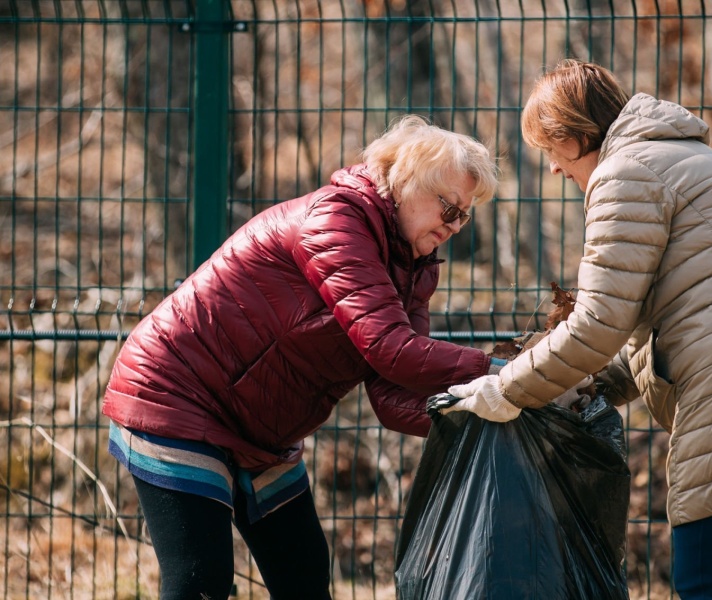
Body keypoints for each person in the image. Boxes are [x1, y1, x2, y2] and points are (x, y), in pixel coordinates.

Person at [443, 60, 712, 599]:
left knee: (707, 583)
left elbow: (599, 323)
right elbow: (677, 319)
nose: (553, 168)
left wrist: (508, 388)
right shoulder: (692, 158)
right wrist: (591, 384)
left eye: (550, 149)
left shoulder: (624, 173)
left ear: (575, 133)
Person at [101, 115, 505, 600]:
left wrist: (493, 411)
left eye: (464, 216)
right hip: (176, 396)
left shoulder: (414, 269)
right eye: (449, 207)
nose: (454, 226)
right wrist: (502, 372)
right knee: (200, 579)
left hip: (262, 428)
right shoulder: (336, 222)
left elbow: (393, 396)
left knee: (305, 576)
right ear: (406, 180)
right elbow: (391, 348)